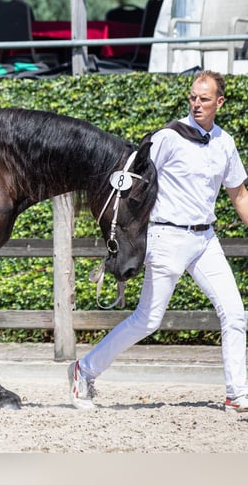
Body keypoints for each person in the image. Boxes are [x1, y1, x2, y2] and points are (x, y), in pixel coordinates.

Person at [69, 70, 248, 413]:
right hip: (168, 236)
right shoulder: (169, 137)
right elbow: (136, 179)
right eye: (193, 97)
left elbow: (238, 194)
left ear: (219, 103)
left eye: (204, 99)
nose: (197, 104)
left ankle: (236, 393)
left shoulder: (225, 143)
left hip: (206, 239)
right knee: (148, 320)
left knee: (235, 313)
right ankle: (84, 370)